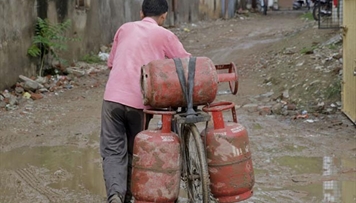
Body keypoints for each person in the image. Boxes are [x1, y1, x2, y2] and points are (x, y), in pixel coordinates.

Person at [100, 0, 191, 203]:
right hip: (140, 103)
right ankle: (130, 196)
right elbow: (187, 65)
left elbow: (111, 63)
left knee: (113, 150)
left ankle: (115, 195)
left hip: (112, 99)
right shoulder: (165, 35)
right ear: (164, 16)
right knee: (136, 150)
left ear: (141, 12)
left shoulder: (124, 29)